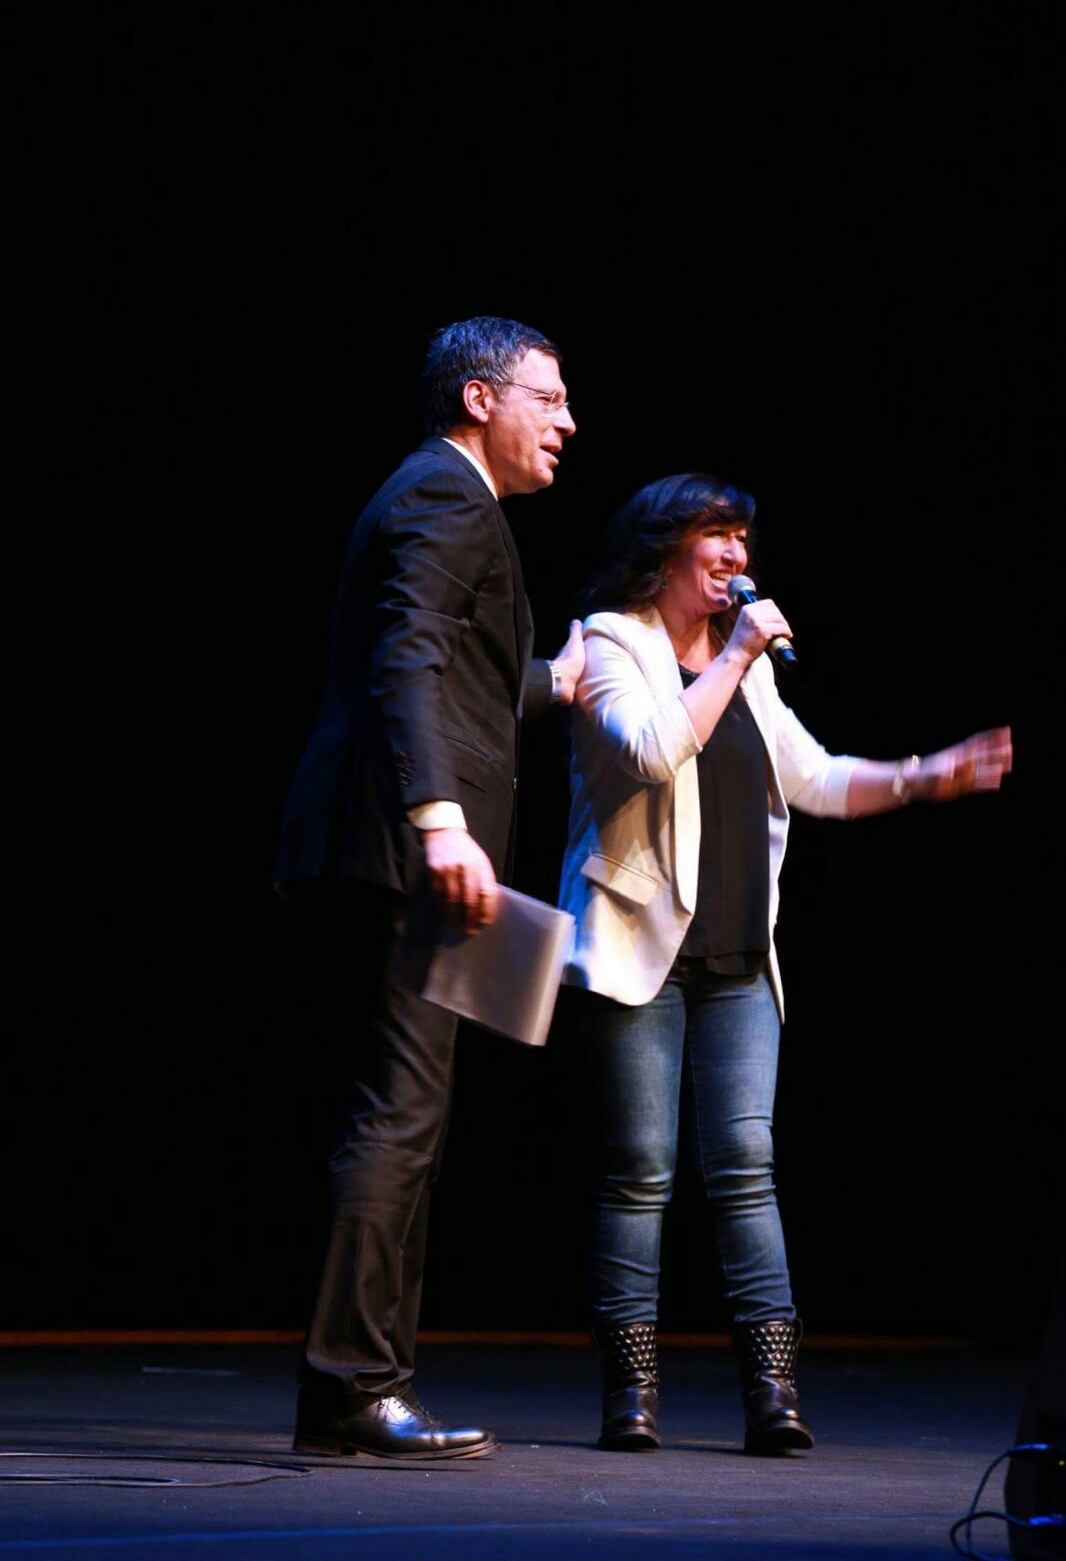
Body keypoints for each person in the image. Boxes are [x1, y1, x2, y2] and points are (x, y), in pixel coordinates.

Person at [557, 472, 1011, 1455]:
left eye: (741, 538)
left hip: (737, 957)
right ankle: (630, 1393)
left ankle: (772, 1392)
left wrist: (925, 777)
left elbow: (814, 778)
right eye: (716, 535)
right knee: (639, 1171)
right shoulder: (609, 642)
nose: (736, 555)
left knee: (747, 1169)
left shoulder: (747, 666)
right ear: (664, 547)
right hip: (636, 949)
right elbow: (651, 751)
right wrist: (735, 654)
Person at [274, 316, 582, 1459]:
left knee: (405, 1109)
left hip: (389, 841)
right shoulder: (446, 497)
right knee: (400, 1111)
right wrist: (442, 821)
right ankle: (351, 1387)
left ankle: (361, 1381)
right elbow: (402, 654)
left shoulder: (440, 498)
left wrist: (552, 680)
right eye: (547, 398)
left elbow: (453, 675)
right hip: (405, 848)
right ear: (477, 399)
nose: (566, 421)